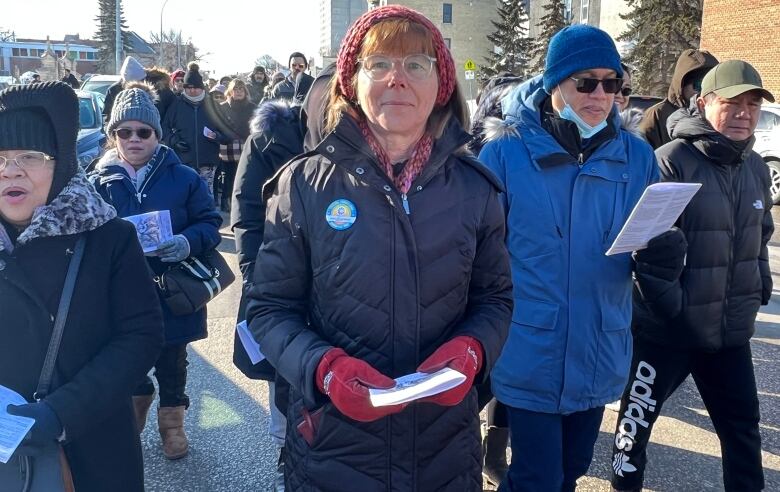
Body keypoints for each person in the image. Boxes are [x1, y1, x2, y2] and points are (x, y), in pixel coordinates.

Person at [246, 6, 512, 490]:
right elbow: (268, 309)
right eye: (379, 64)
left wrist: (473, 351)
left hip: (445, 451)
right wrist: (323, 369)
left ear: (441, 86)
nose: (398, 79)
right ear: (351, 80)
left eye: (416, 64)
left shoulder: (477, 190)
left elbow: (495, 300)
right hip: (334, 451)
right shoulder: (304, 186)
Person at [478, 25, 660, 491]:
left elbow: (648, 248)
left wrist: (663, 259)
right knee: (537, 477)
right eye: (585, 81)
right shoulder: (505, 154)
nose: (600, 94)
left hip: (599, 347)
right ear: (554, 83)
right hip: (530, 348)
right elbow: (480, 255)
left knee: (573, 469)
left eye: (612, 82)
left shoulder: (637, 158)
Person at [610, 59, 774, 492]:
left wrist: (759, 284)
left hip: (729, 335)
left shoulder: (756, 167)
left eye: (753, 104)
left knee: (743, 432)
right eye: (732, 102)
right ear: (703, 103)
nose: (744, 113)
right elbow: (645, 253)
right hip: (667, 333)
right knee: (634, 429)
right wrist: (673, 311)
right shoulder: (670, 162)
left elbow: (762, 235)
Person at [0, 81, 164, 490]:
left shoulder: (108, 237)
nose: (11, 169)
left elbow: (140, 336)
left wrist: (62, 413)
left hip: (92, 445)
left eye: (29, 156)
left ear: (61, 165)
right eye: (0, 157)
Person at [90, 82, 222, 461]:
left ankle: (173, 426)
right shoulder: (96, 181)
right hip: (119, 289)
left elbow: (210, 223)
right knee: (123, 355)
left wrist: (186, 241)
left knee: (172, 360)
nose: (134, 139)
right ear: (113, 135)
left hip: (172, 287)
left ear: (156, 134)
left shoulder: (184, 178)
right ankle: (136, 400)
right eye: (124, 131)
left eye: (143, 131)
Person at [162, 61, 224, 197]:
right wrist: (174, 141)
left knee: (206, 196)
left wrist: (217, 137)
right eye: (188, 87)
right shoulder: (177, 104)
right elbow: (164, 128)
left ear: (201, 88)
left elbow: (226, 131)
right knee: (185, 195)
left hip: (208, 159)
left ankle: (208, 218)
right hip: (184, 159)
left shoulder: (212, 105)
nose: (192, 90)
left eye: (195, 87)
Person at [640, 49, 718, 149]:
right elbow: (641, 157)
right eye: (699, 85)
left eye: (712, 87)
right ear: (682, 84)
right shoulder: (657, 115)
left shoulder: (717, 114)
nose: (704, 93)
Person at [213, 79, 255, 211]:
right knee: (228, 175)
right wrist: (221, 137)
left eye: (241, 89)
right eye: (235, 89)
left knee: (246, 175)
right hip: (228, 145)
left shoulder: (252, 107)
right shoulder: (222, 106)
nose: (238, 92)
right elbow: (217, 125)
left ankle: (243, 203)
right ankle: (226, 202)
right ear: (230, 91)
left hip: (246, 144)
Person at [103, 56, 147, 125]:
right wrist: (109, 130)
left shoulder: (146, 89)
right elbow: (107, 114)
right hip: (120, 130)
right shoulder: (114, 90)